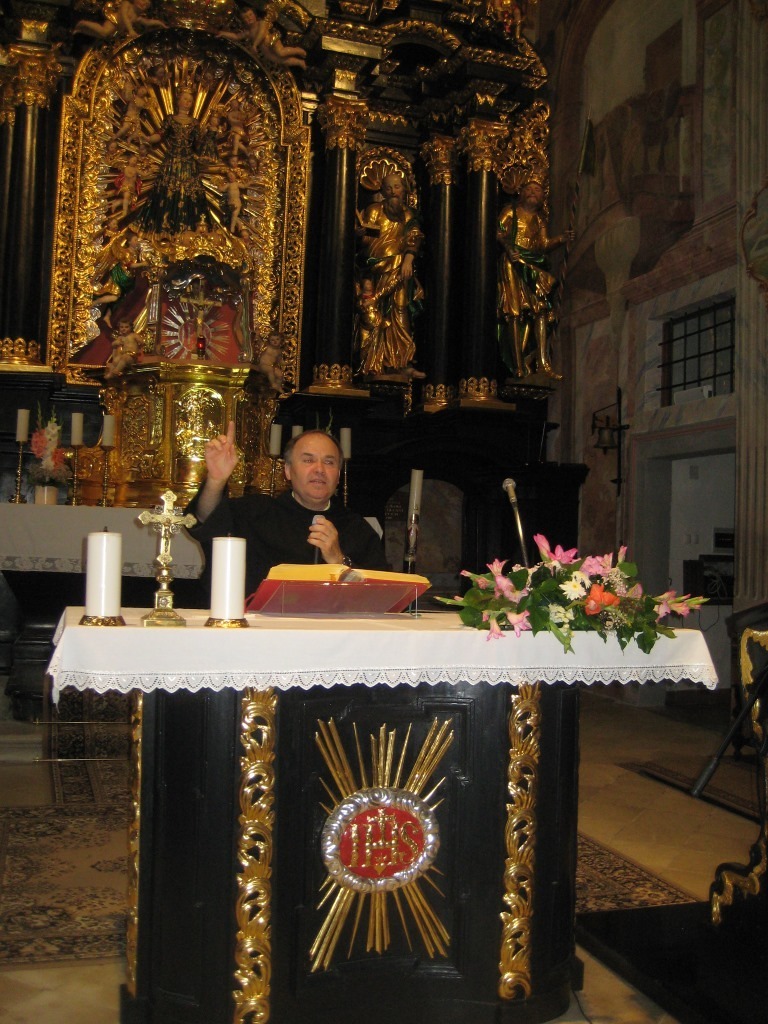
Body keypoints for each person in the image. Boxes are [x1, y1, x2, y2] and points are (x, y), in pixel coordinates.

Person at [186, 425, 387, 599]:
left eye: (329, 462)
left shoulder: (357, 529)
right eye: (308, 460)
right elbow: (207, 519)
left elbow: (382, 594)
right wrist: (216, 480)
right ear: (288, 471)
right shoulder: (255, 513)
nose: (319, 469)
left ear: (338, 474)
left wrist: (339, 560)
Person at [497, 178, 572, 380]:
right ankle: (518, 365)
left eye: (537, 190)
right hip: (513, 262)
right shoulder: (511, 212)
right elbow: (498, 232)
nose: (532, 192)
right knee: (513, 310)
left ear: (542, 197)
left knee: (541, 309)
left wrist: (561, 239)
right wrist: (509, 248)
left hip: (533, 264)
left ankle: (543, 363)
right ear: (521, 193)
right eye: (529, 188)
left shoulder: (539, 220)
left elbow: (544, 244)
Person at [356, 172, 425, 379]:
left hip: (399, 269)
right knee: (375, 314)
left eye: (397, 187)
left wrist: (408, 259)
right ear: (383, 191)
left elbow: (414, 238)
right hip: (375, 269)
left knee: (400, 309)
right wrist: (361, 235)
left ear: (404, 189)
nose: (393, 191)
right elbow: (367, 241)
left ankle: (401, 361)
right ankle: (374, 362)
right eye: (388, 188)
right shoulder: (374, 210)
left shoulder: (408, 215)